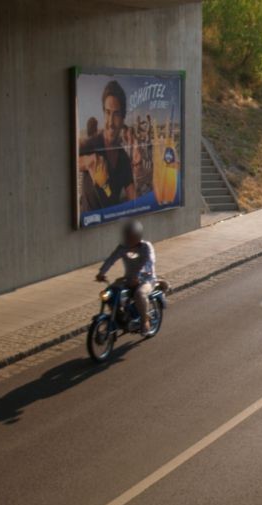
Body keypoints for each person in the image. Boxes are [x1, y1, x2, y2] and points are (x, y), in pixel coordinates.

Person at [78, 80, 137, 213]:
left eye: (116, 114)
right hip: (88, 226)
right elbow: (68, 160)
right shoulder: (92, 144)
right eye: (107, 112)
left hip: (111, 226)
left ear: (123, 118)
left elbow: (133, 197)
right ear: (103, 113)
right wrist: (87, 162)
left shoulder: (124, 159)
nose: (110, 122)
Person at [96, 220, 157, 335]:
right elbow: (111, 260)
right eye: (127, 235)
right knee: (110, 292)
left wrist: (137, 276)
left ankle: (145, 321)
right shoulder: (122, 247)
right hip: (129, 279)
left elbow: (147, 263)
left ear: (138, 236)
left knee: (139, 294)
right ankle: (119, 316)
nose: (129, 239)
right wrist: (101, 273)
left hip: (146, 279)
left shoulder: (146, 247)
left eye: (131, 236)